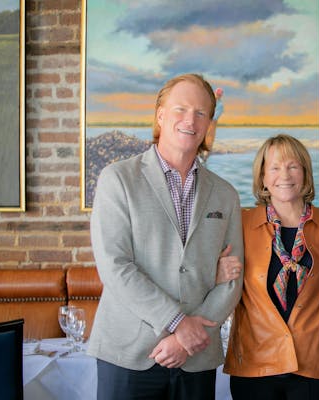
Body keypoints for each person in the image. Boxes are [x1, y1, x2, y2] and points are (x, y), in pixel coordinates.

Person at [88, 73, 244, 400]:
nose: (191, 119)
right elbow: (116, 267)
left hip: (196, 356)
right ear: (160, 116)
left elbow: (232, 277)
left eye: (201, 113)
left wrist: (189, 336)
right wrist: (177, 323)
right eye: (181, 109)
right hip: (129, 354)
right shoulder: (118, 180)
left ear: (209, 124)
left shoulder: (226, 194)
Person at [224, 134, 319, 400]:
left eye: (293, 166)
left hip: (316, 366)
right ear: (263, 177)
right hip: (256, 365)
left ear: (304, 172)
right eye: (275, 168)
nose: (285, 175)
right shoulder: (241, 225)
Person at [202, 87, 224, 162]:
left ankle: (205, 158)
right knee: (202, 136)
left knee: (210, 139)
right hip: (206, 120)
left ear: (220, 96)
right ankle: (201, 154)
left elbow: (216, 115)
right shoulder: (209, 101)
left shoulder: (220, 105)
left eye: (219, 95)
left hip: (212, 122)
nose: (217, 95)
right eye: (217, 94)